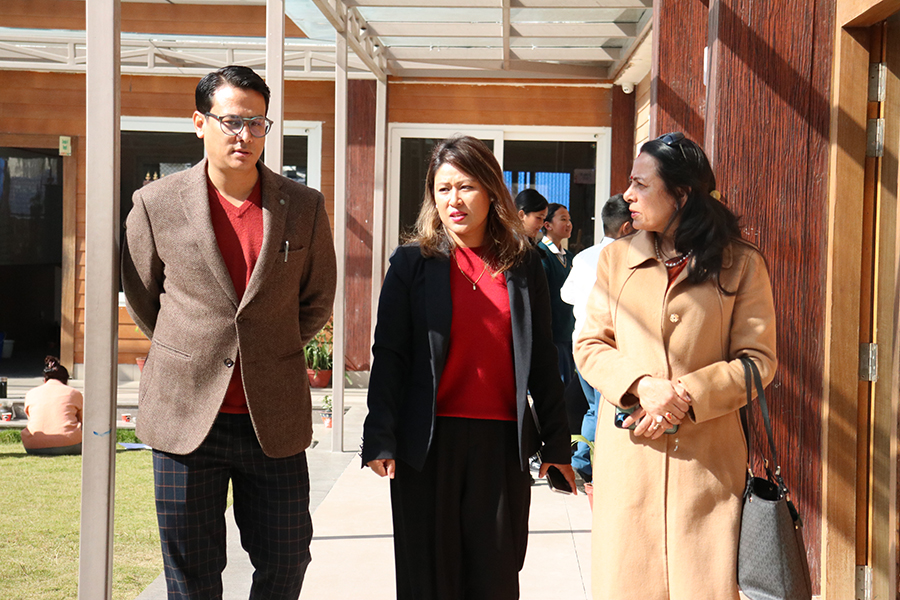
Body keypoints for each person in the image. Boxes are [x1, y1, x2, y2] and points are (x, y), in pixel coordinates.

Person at [121, 65, 337, 600]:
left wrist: (268, 346)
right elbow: (145, 297)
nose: (245, 135)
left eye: (257, 123)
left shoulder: (303, 206)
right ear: (200, 123)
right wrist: (190, 345)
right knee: (191, 574)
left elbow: (316, 298)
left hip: (273, 417)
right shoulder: (155, 204)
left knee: (288, 557)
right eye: (232, 121)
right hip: (185, 414)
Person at [361, 135, 575, 600]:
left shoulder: (523, 265)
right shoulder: (411, 263)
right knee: (427, 581)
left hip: (501, 448)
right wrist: (379, 434)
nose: (453, 200)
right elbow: (390, 354)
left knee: (495, 580)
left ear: (491, 191)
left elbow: (542, 358)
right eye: (443, 189)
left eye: (466, 187)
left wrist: (557, 444)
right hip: (427, 446)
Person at [574, 132, 777, 600]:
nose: (628, 195)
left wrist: (683, 395)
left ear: (681, 194)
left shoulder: (741, 263)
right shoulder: (615, 259)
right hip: (631, 462)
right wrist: (643, 387)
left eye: (641, 184)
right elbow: (589, 344)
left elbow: (758, 360)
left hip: (707, 470)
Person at [560, 194, 633, 481]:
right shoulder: (625, 259)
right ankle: (599, 466)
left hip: (581, 347)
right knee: (608, 408)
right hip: (609, 350)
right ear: (627, 227)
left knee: (594, 407)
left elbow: (566, 295)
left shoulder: (583, 257)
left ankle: (582, 460)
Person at [538, 202, 576, 385]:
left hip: (568, 330)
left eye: (569, 219)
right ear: (547, 225)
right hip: (552, 333)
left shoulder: (569, 257)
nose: (568, 224)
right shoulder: (542, 255)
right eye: (563, 219)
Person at [21, 356, 83, 456]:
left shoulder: (31, 393)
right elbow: (82, 419)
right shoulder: (74, 393)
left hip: (33, 446)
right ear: (66, 380)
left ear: (45, 380)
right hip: (70, 444)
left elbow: (30, 417)